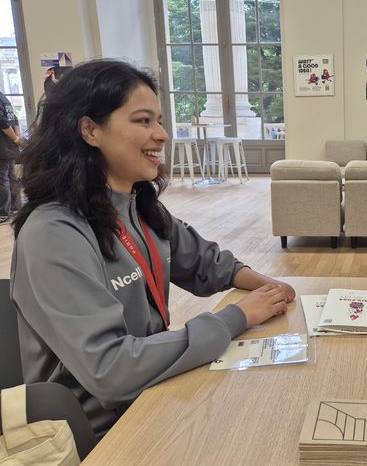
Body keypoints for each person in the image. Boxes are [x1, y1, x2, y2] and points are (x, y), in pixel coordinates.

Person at [10, 59, 295, 439]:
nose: (161, 135)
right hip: (99, 431)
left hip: (152, 393)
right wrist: (237, 317)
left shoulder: (138, 205)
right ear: (90, 129)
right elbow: (110, 370)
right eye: (143, 121)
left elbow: (206, 264)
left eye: (159, 121)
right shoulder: (53, 232)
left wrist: (271, 287)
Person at [0, 90, 21, 223]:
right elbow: (15, 118)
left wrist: (15, 138)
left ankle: (3, 212)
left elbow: (2, 122)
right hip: (10, 146)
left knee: (2, 179)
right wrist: (17, 139)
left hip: (2, 146)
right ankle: (16, 206)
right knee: (12, 177)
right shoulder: (4, 98)